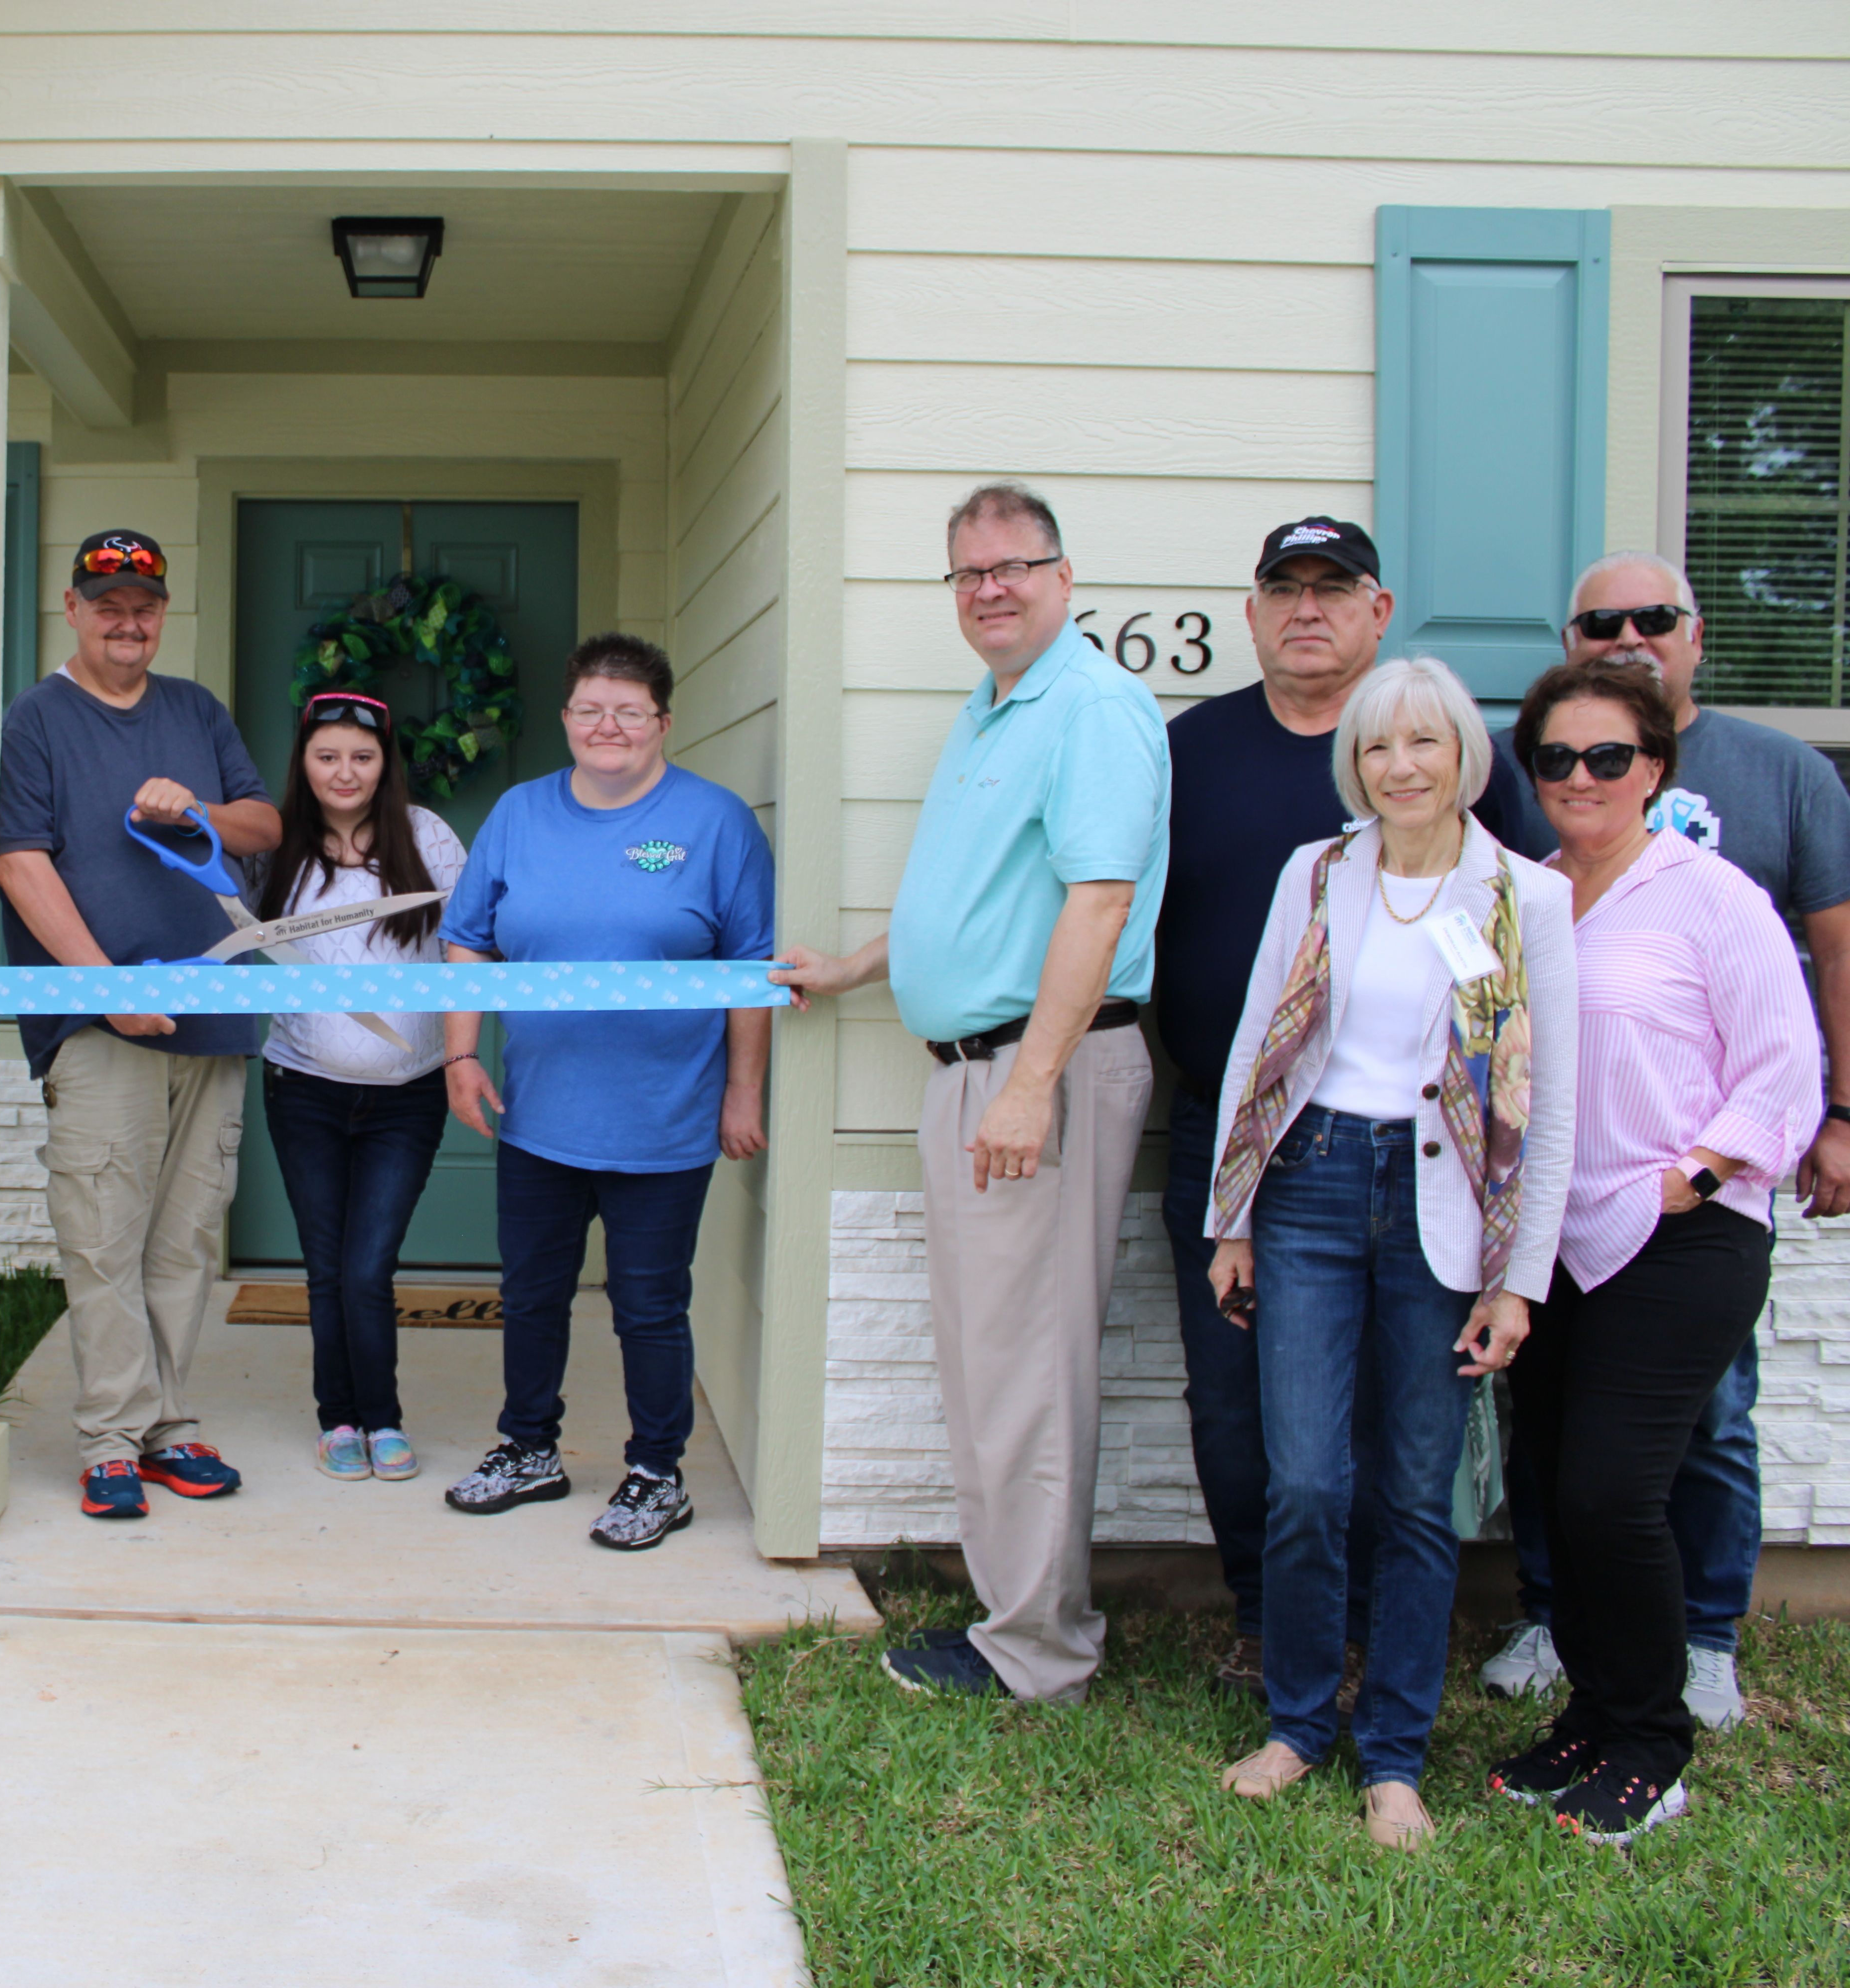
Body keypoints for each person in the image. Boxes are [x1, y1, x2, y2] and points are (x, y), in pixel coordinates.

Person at [773, 482, 1167, 1700]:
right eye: (968, 573)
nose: (990, 587)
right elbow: (972, 893)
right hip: (977, 1071)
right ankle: (1015, 1611)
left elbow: (1099, 902)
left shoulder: (1092, 708)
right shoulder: (991, 710)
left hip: (1033, 1072)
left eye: (1014, 565)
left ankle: (1039, 1648)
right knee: (990, 1359)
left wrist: (1031, 1085)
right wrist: (854, 966)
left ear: (1061, 574)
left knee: (1028, 1367)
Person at [1156, 518, 1544, 1697]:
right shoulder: (1193, 750)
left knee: (1399, 1420)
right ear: (1255, 610)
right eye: (1287, 588)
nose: (1308, 608)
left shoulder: (1469, 769)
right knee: (1243, 1410)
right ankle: (1272, 1624)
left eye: (1336, 588)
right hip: (1241, 1135)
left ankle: (1377, 1632)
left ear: (1380, 613)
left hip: (1424, 1156)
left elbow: (1521, 972)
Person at [1202, 658, 1576, 1849]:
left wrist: (1521, 1275)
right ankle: (1299, 1722)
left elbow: (1550, 1101)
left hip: (1446, 1215)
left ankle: (1397, 1755)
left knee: (1419, 1494)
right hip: (1308, 1183)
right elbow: (1257, 1044)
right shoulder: (1316, 874)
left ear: (1466, 754)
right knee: (1307, 1479)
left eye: (1423, 743)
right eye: (1375, 747)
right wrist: (1234, 1214)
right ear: (1352, 763)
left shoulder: (1528, 898)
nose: (1400, 765)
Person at [1477, 551, 1850, 1727]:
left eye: (1609, 757)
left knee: (1614, 1494)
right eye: (1556, 759)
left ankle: (1656, 1724)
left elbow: (1783, 1062)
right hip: (1556, 1242)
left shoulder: (1712, 892)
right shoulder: (1529, 895)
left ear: (1655, 767)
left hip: (1678, 1235)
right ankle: (1592, 1717)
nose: (1581, 777)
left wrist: (1700, 1172)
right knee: (1562, 1484)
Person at [438, 632, 773, 1552]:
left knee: (650, 1305)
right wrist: (461, 1058)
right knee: (533, 1293)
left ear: (663, 723)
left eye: (629, 711)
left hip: (666, 1119)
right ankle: (529, 1448)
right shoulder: (518, 813)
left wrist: (745, 1092)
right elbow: (469, 939)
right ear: (567, 719)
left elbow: (751, 968)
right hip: (539, 1115)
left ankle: (657, 1474)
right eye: (591, 708)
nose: (608, 726)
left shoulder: (716, 822)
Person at [0, 530, 278, 1520]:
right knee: (104, 1233)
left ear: (162, 613)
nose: (128, 620)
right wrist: (104, 985)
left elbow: (262, 825)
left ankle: (167, 1426)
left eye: (144, 604)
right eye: (107, 602)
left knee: (183, 1238)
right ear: (72, 608)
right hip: (104, 1021)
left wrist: (193, 804)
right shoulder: (36, 719)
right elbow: (21, 862)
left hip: (215, 1017)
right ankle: (111, 1438)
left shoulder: (197, 710)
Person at [254, 690, 466, 1485]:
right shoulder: (275, 845)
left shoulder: (429, 839)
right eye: (328, 755)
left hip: (406, 1095)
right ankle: (337, 1419)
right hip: (302, 1088)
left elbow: (473, 946)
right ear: (304, 763)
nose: (346, 772)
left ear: (387, 765)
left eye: (364, 757)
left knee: (369, 1265)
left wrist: (460, 1057)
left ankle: (384, 1417)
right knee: (325, 1263)